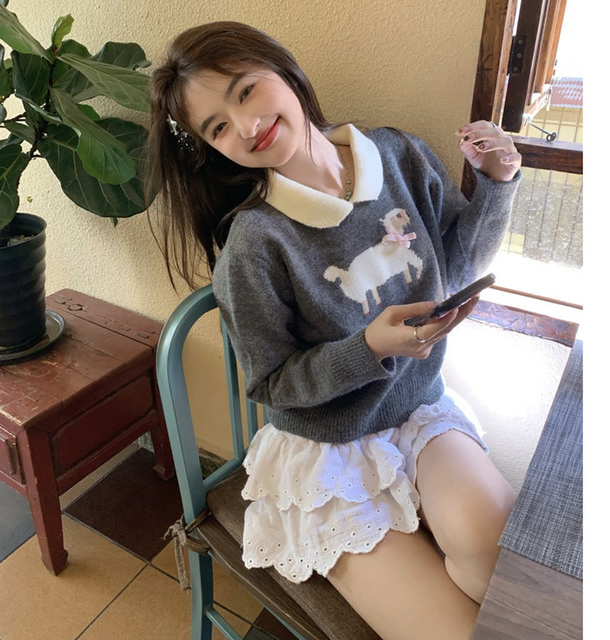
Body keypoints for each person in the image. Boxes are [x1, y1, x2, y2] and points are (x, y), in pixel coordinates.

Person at [147, 21, 521, 640]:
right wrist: (368, 348)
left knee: (509, 571)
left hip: (420, 412)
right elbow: (271, 383)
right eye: (217, 127)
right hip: (325, 452)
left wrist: (499, 184)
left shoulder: (398, 155)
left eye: (245, 91)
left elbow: (454, 269)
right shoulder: (254, 244)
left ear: (283, 68)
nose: (246, 126)